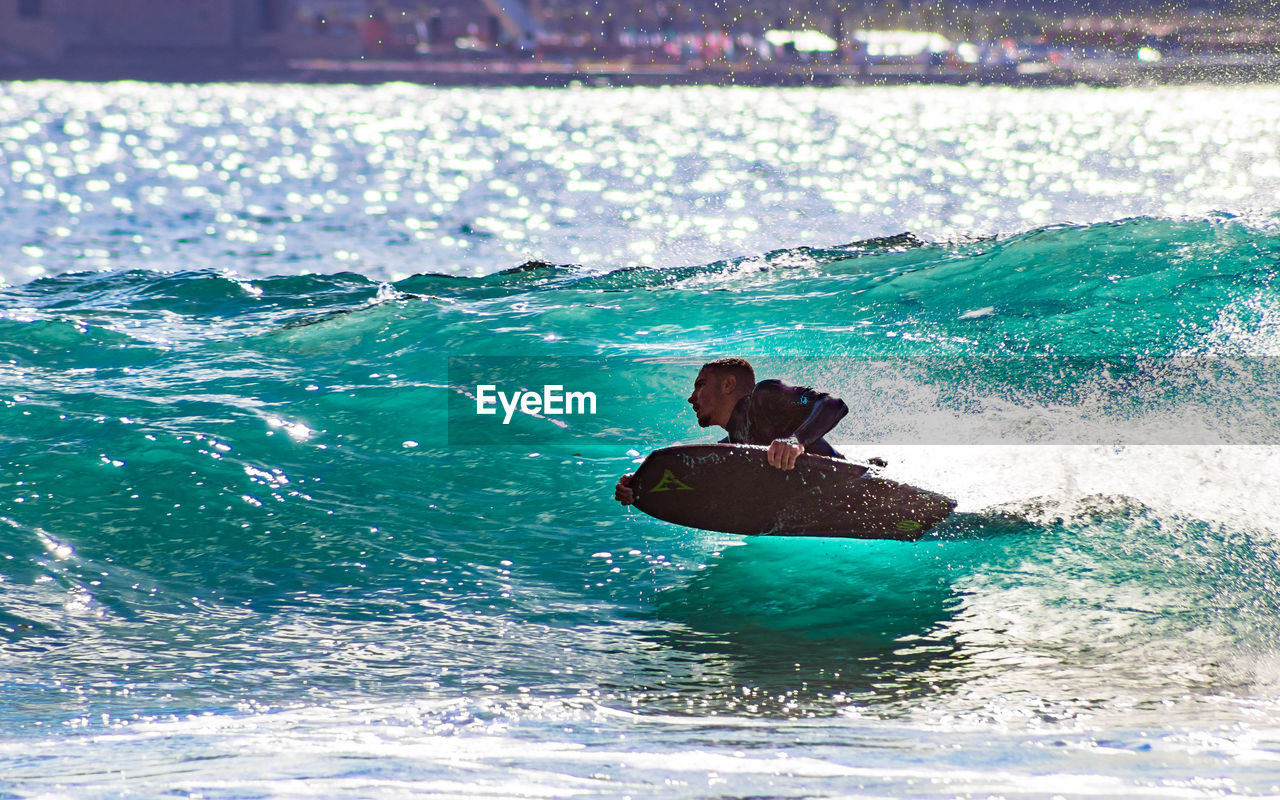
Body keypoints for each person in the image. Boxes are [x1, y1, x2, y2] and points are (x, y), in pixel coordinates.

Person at [614, 357, 849, 505]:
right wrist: (640, 485)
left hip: (849, 481)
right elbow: (690, 477)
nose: (691, 398)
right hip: (814, 496)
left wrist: (795, 441)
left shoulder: (764, 396)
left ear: (728, 384)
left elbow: (833, 404)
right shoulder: (730, 448)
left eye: (700, 385)